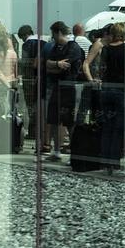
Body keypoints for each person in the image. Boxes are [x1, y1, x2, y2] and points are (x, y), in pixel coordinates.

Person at [99, 23, 125, 172]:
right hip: (121, 90)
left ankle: (104, 161)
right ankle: (115, 162)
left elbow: (102, 68)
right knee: (118, 128)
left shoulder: (105, 49)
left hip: (106, 89)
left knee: (107, 126)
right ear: (123, 33)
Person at [44, 21, 83, 161]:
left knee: (69, 122)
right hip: (57, 87)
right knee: (53, 119)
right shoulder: (56, 48)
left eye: (53, 33)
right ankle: (56, 151)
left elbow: (65, 66)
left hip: (68, 88)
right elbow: (48, 65)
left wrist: (55, 65)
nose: (52, 37)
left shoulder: (73, 47)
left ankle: (74, 153)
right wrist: (56, 64)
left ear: (58, 32)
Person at [17, 25, 41, 140]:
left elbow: (26, 63)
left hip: (30, 79)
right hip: (41, 79)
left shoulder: (27, 44)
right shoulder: (43, 42)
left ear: (25, 35)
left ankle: (32, 131)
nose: (22, 40)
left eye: (21, 37)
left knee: (31, 106)